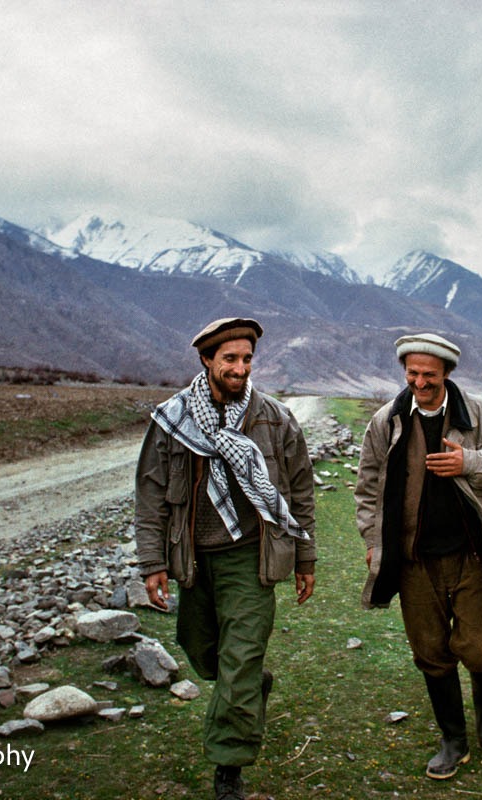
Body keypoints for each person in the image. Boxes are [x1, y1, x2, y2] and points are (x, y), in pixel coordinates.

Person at [134, 317, 316, 800]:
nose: (240, 368)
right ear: (207, 361)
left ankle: (228, 768)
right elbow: (150, 495)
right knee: (203, 653)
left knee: (238, 660)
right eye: (230, 359)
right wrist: (152, 563)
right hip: (193, 560)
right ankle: (250, 684)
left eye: (247, 359)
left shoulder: (274, 419)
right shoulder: (172, 420)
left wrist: (305, 558)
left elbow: (300, 492)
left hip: (250, 559)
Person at [355, 332, 482, 780]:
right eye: (411, 373)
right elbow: (369, 485)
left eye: (428, 375)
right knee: (430, 652)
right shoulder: (387, 421)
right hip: (414, 560)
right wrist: (372, 540)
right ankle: (453, 738)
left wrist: (470, 462)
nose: (419, 382)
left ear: (448, 374)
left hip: (472, 556)